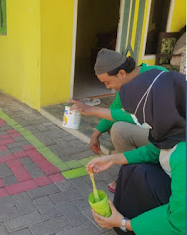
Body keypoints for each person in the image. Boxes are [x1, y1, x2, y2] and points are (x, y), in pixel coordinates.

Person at [87, 69, 185, 235]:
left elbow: (179, 223)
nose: (136, 120)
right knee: (130, 169)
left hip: (180, 223)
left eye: (138, 116)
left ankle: (125, 225)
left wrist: (125, 223)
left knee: (140, 175)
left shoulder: (183, 156)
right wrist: (112, 159)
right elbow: (154, 152)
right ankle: (123, 223)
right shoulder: (174, 125)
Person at [69, 48, 167, 192]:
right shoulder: (127, 84)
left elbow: (142, 117)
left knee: (119, 128)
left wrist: (92, 110)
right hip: (155, 134)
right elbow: (116, 108)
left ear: (121, 73)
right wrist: (96, 134)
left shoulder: (155, 76)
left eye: (107, 82)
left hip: (173, 137)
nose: (108, 87)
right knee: (117, 127)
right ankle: (131, 174)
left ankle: (135, 177)